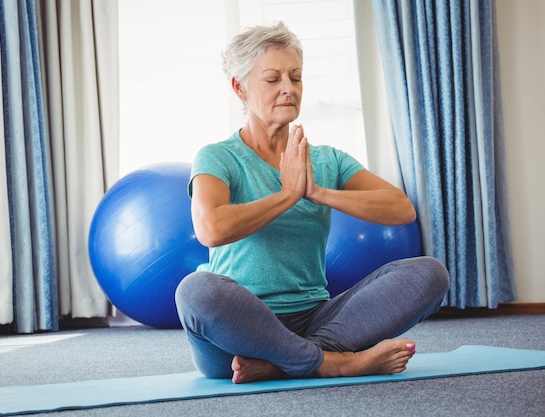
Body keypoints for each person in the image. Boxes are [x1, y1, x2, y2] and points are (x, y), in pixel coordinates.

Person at [175, 21, 449, 384]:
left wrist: (316, 192)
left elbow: (400, 208)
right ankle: (336, 363)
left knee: (430, 273)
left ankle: (285, 362)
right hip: (236, 334)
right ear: (239, 88)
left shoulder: (326, 160)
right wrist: (287, 195)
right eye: (273, 79)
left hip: (315, 319)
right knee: (195, 291)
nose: (288, 88)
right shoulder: (218, 157)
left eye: (296, 77)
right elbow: (211, 228)